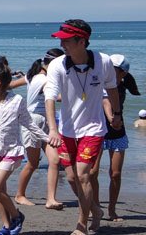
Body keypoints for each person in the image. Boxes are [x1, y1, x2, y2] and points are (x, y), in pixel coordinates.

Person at [0, 59, 59, 235]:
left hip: (12, 151)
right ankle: (7, 227)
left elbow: (30, 125)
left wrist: (48, 138)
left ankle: (17, 216)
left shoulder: (17, 100)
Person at [44, 19, 121, 235]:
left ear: (82, 41)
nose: (62, 45)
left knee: (84, 175)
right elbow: (49, 98)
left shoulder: (102, 61)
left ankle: (81, 225)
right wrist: (52, 129)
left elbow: (112, 88)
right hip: (67, 129)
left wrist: (116, 114)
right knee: (71, 177)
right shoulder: (57, 65)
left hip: (94, 129)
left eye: (66, 41)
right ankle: (95, 209)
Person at [14, 48, 66, 210]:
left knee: (55, 161)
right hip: (34, 123)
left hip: (45, 123)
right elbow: (56, 97)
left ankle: (51, 199)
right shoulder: (44, 80)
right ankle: (19, 195)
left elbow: (10, 85)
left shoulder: (33, 76)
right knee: (33, 163)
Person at [101, 54, 138, 222]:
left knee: (115, 174)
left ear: (122, 73)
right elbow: (105, 102)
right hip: (98, 131)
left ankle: (112, 210)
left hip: (118, 132)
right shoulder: (100, 84)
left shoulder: (122, 86)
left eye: (112, 69)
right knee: (92, 172)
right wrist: (111, 118)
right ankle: (94, 207)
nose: (107, 72)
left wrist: (114, 121)